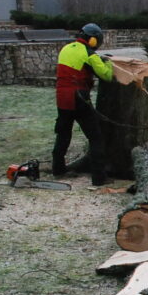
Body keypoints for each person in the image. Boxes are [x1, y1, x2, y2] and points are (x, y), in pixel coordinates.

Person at [53, 23, 114, 185]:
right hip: (79, 98)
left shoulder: (65, 49)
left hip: (61, 97)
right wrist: (107, 62)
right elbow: (106, 76)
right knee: (95, 137)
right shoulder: (90, 54)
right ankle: (99, 178)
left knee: (63, 133)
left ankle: (58, 168)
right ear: (93, 40)